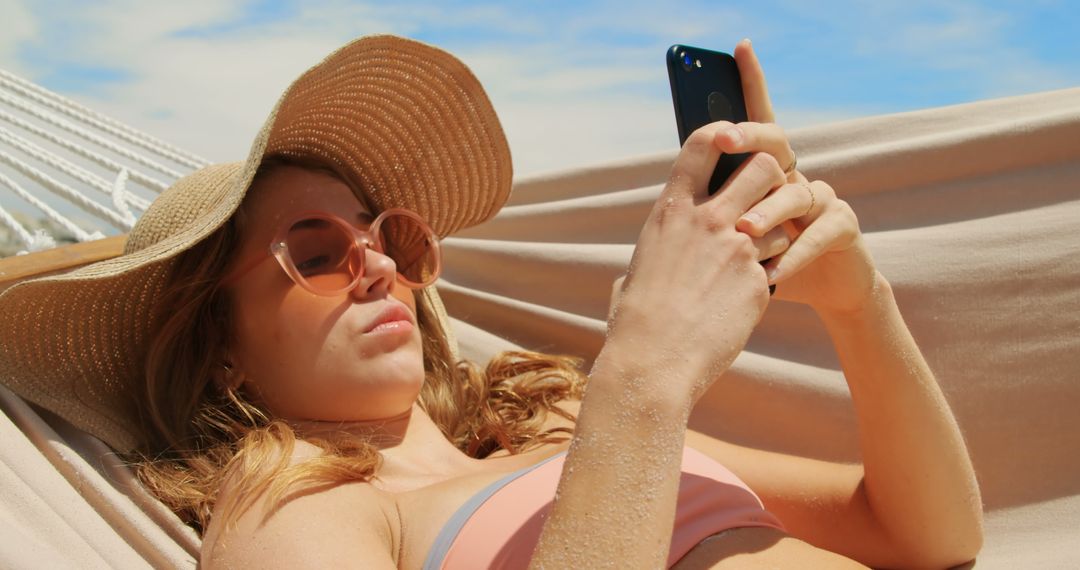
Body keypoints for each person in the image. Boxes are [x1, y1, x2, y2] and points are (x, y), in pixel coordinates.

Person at [0, 35, 983, 568]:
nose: (375, 263)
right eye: (316, 253)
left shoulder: (558, 423)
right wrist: (642, 383)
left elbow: (923, 535)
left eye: (386, 235)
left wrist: (857, 303)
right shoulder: (296, 513)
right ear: (219, 348)